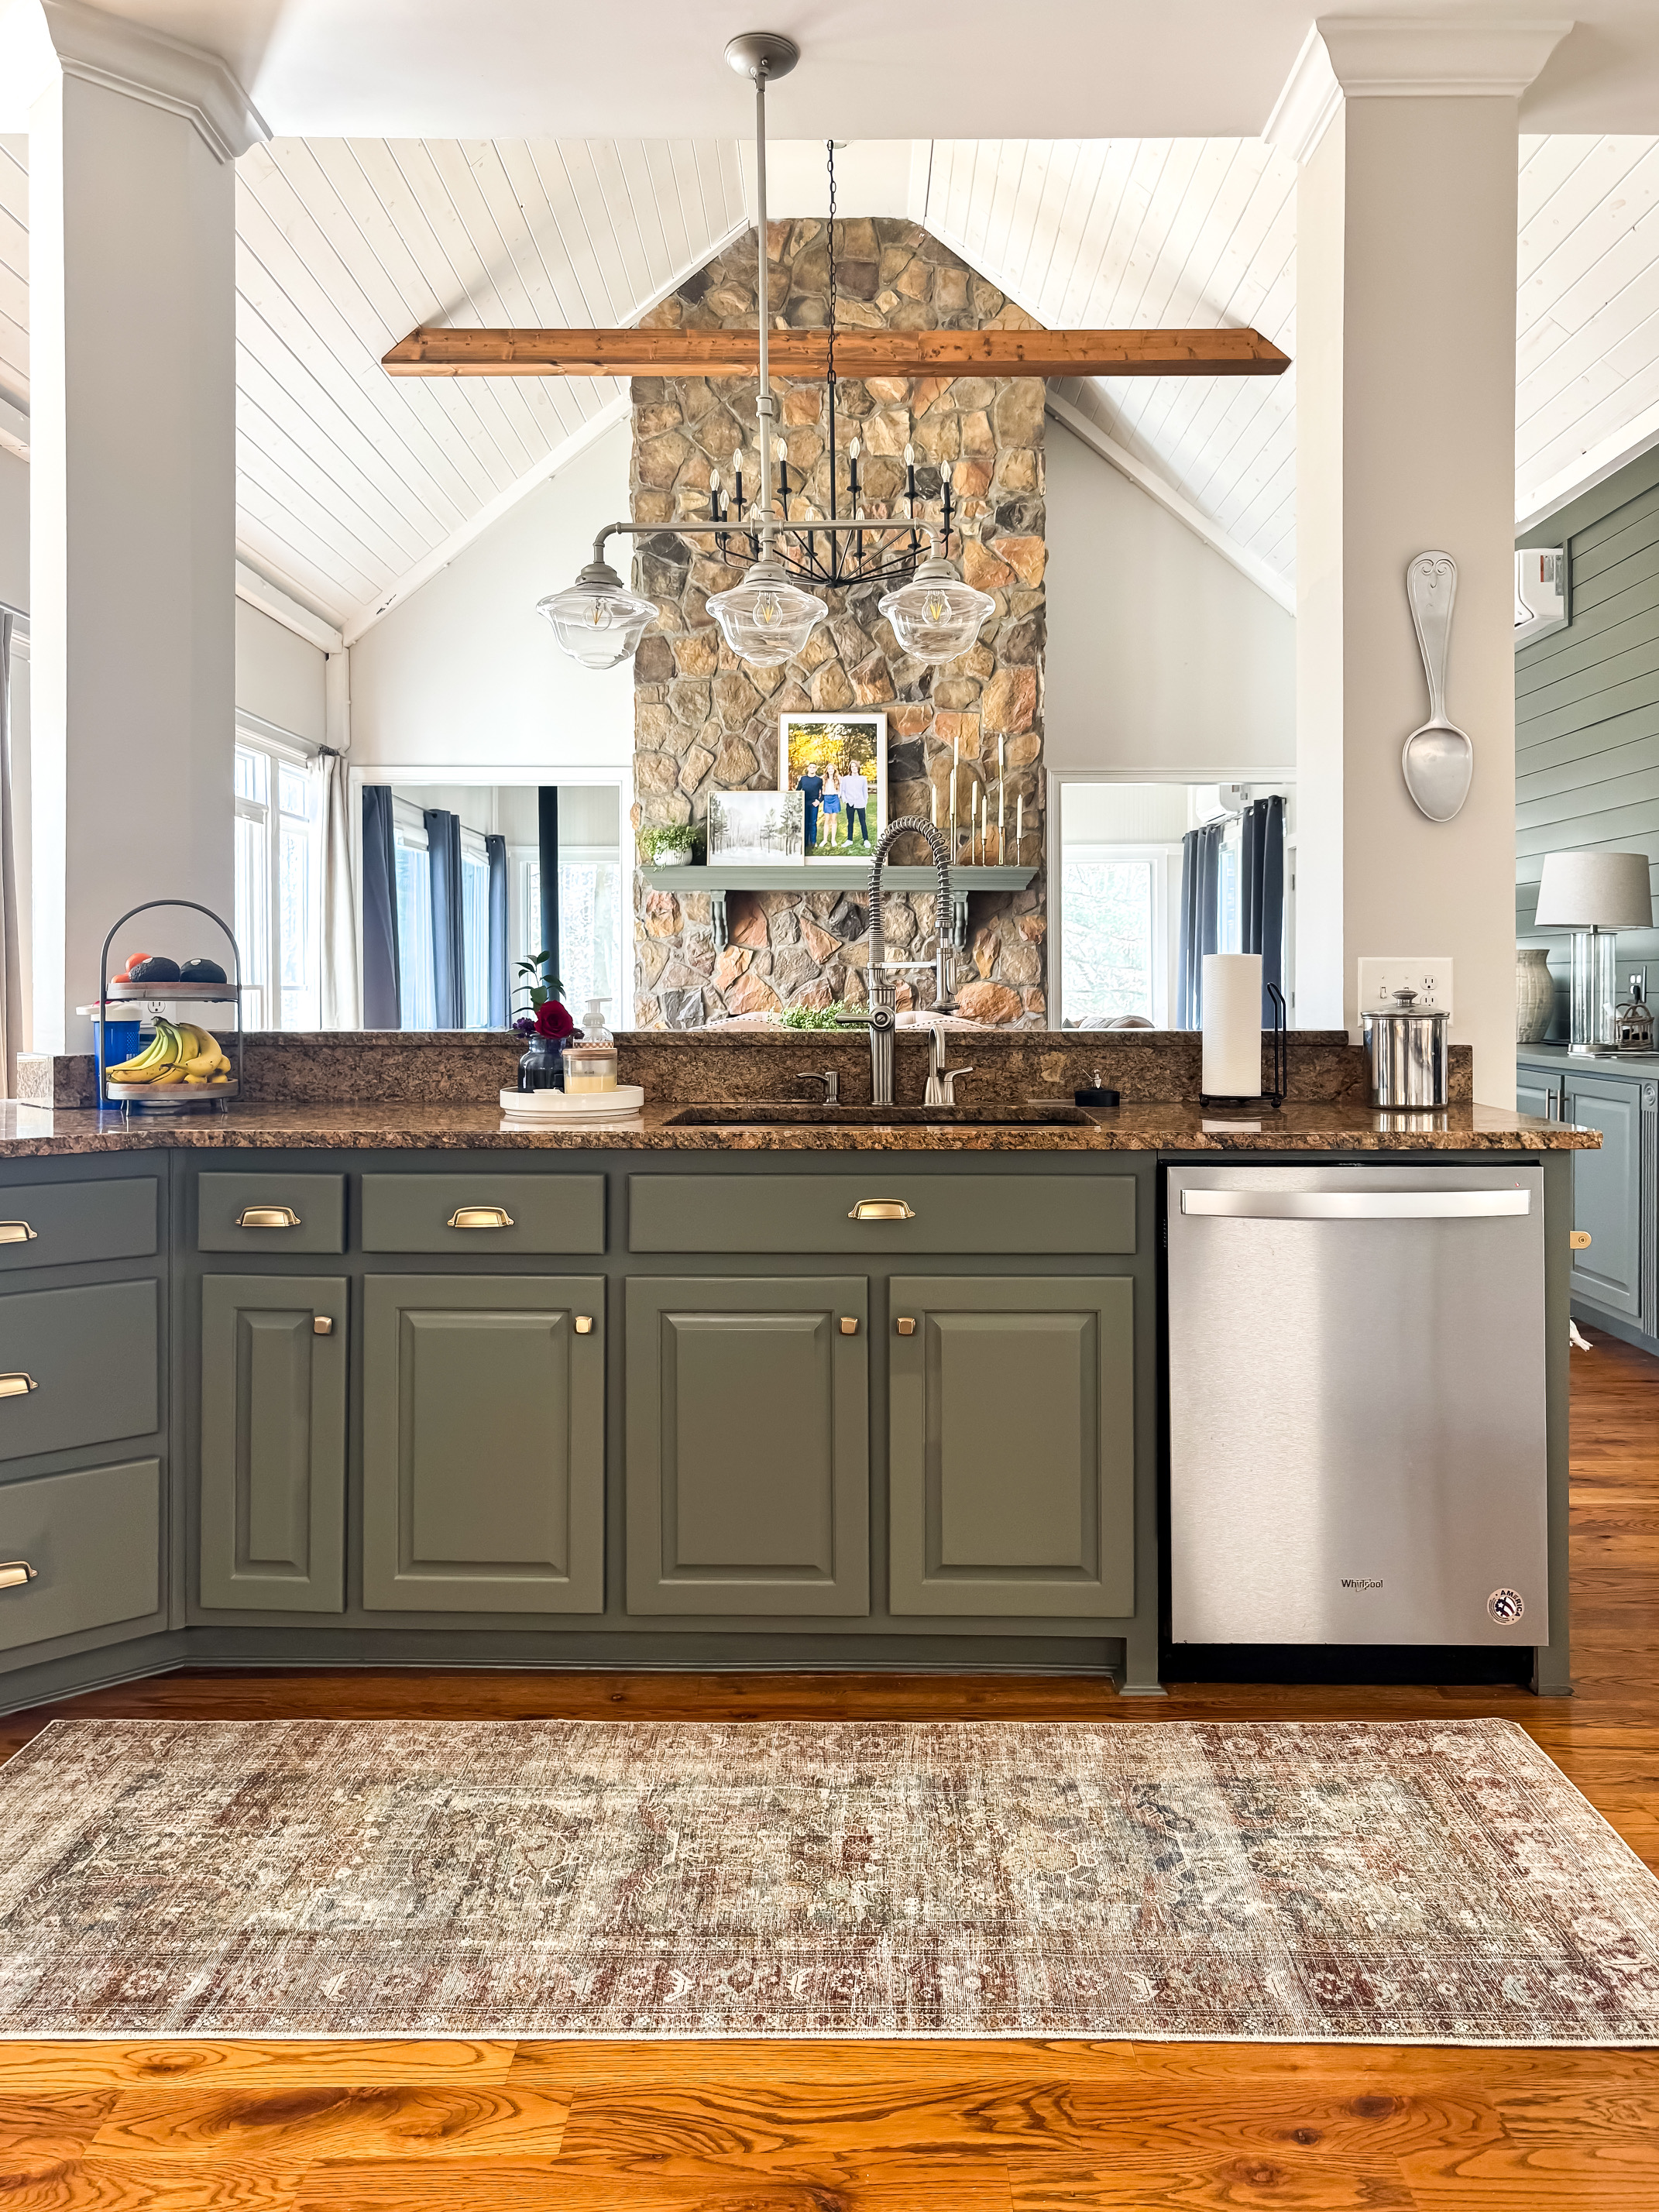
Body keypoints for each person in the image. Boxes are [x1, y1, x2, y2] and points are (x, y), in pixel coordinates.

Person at [840, 763, 869, 847]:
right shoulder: (846, 779)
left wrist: (865, 803)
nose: (854, 768)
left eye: (855, 766)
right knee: (850, 822)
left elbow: (865, 792)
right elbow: (843, 791)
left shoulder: (863, 779)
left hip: (860, 803)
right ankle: (849, 840)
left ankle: (866, 840)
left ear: (858, 768)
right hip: (850, 803)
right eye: (852, 767)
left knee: (863, 822)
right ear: (850, 768)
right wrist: (846, 800)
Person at [797, 761, 824, 852]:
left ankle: (813, 842)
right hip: (804, 803)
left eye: (814, 767)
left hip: (814, 803)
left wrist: (819, 801)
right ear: (808, 768)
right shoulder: (803, 779)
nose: (812, 769)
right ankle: (804, 842)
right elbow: (798, 790)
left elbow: (823, 794)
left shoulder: (819, 780)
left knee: (813, 823)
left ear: (816, 769)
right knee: (805, 822)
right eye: (811, 767)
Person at [820, 768, 841, 848]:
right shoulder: (823, 779)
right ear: (827, 770)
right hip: (827, 799)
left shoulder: (838, 778)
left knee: (834, 820)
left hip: (835, 799)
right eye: (829, 769)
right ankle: (825, 840)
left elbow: (843, 784)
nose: (831, 770)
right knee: (827, 820)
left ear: (834, 770)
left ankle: (833, 840)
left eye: (832, 768)